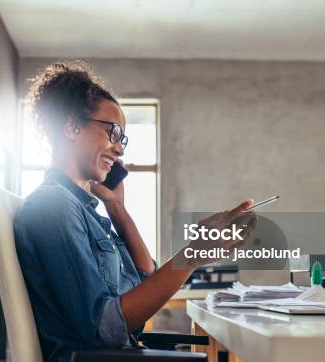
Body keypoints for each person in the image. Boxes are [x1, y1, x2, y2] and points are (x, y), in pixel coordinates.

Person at [14, 60, 255, 362]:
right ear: (72, 126)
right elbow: (105, 328)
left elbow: (146, 281)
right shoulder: (53, 207)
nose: (120, 149)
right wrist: (193, 254)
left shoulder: (86, 211)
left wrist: (119, 211)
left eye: (122, 139)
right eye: (113, 133)